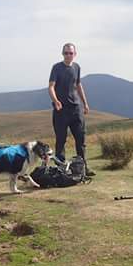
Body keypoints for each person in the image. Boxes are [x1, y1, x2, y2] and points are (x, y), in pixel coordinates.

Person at [48, 42, 95, 177]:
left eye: (71, 53)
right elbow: (51, 86)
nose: (68, 55)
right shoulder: (56, 68)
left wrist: (85, 103)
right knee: (61, 140)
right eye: (66, 53)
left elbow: (78, 85)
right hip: (61, 110)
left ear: (75, 54)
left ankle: (83, 168)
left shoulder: (76, 67)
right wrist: (55, 100)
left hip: (76, 109)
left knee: (81, 139)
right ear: (62, 54)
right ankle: (61, 169)